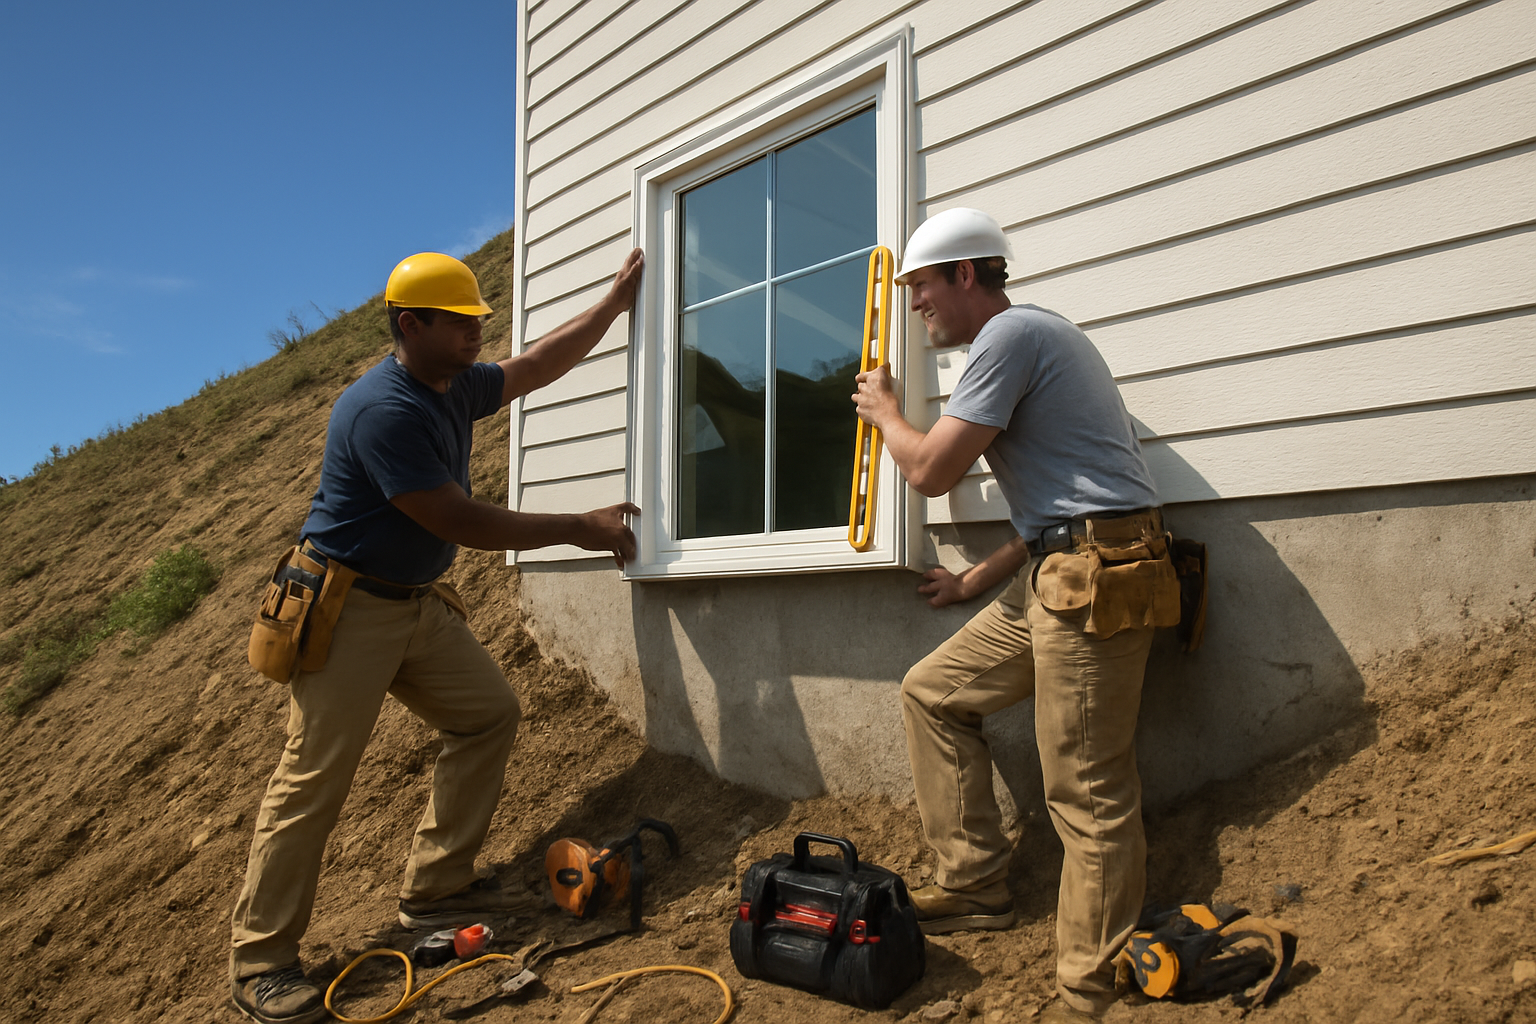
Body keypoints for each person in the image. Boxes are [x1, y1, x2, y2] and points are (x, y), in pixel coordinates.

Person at [229, 248, 644, 1024]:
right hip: (346, 607)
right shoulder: (384, 408)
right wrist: (577, 528)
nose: (475, 337)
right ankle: (260, 963)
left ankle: (435, 888)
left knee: (488, 713)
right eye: (458, 325)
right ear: (408, 324)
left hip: (413, 603)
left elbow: (534, 367)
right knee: (314, 779)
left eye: (477, 323)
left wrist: (613, 306)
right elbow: (457, 519)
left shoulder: (453, 382)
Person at [851, 209, 1178, 1023]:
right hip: (1059, 566)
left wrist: (886, 410)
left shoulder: (1010, 336)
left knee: (1086, 787)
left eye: (921, 288)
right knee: (934, 691)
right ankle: (973, 884)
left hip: (1097, 574)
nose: (915, 305)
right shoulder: (1025, 343)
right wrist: (975, 583)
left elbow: (928, 470)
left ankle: (1088, 990)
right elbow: (1055, 510)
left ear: (967, 274)